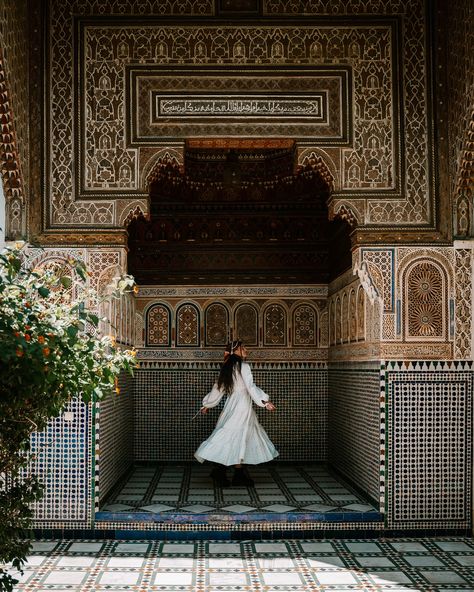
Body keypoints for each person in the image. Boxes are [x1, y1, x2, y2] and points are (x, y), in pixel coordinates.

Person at [194, 339, 279, 486]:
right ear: (236, 351)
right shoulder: (244, 366)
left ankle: (236, 474)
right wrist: (265, 402)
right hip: (242, 407)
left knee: (239, 438)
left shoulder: (226, 367)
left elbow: (218, 388)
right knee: (235, 437)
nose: (246, 350)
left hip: (232, 405)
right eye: (243, 348)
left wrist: (208, 404)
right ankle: (221, 472)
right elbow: (250, 387)